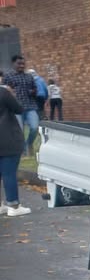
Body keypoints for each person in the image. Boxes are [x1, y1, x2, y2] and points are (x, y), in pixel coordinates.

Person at [0, 84, 31, 216]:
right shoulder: (3, 92)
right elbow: (19, 109)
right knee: (9, 173)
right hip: (7, 137)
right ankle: (14, 205)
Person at [3, 55, 39, 155]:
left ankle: (29, 143)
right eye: (19, 63)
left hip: (30, 106)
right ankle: (22, 151)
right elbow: (4, 92)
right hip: (16, 108)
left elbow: (35, 89)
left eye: (23, 64)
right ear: (13, 63)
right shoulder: (8, 76)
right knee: (20, 131)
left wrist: (34, 91)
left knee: (34, 128)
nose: (22, 66)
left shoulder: (29, 76)